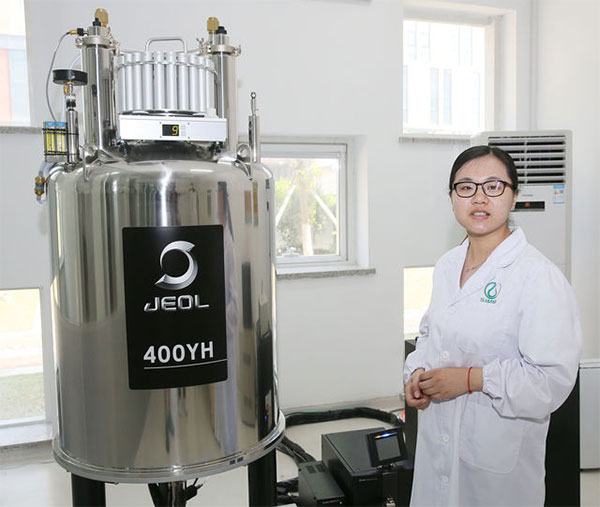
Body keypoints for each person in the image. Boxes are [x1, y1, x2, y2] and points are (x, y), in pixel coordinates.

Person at [403, 145, 581, 506]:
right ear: (452, 198)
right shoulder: (447, 265)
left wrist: (472, 379)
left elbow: (551, 381)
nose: (479, 197)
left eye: (494, 186)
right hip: (439, 442)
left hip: (498, 464)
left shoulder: (538, 276)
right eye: (466, 187)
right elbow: (430, 334)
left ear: (514, 196)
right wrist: (418, 370)